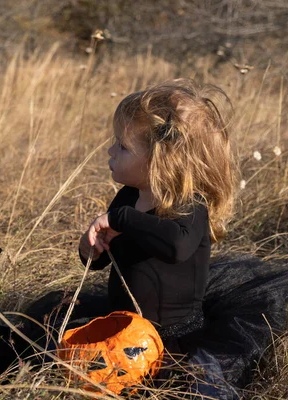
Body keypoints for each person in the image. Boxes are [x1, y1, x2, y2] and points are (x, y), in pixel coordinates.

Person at [77, 78, 237, 340]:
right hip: (125, 328)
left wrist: (122, 219)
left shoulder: (190, 204)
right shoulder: (127, 198)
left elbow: (176, 246)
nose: (110, 150)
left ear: (160, 160)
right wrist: (90, 250)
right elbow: (106, 258)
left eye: (123, 146)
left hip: (174, 334)